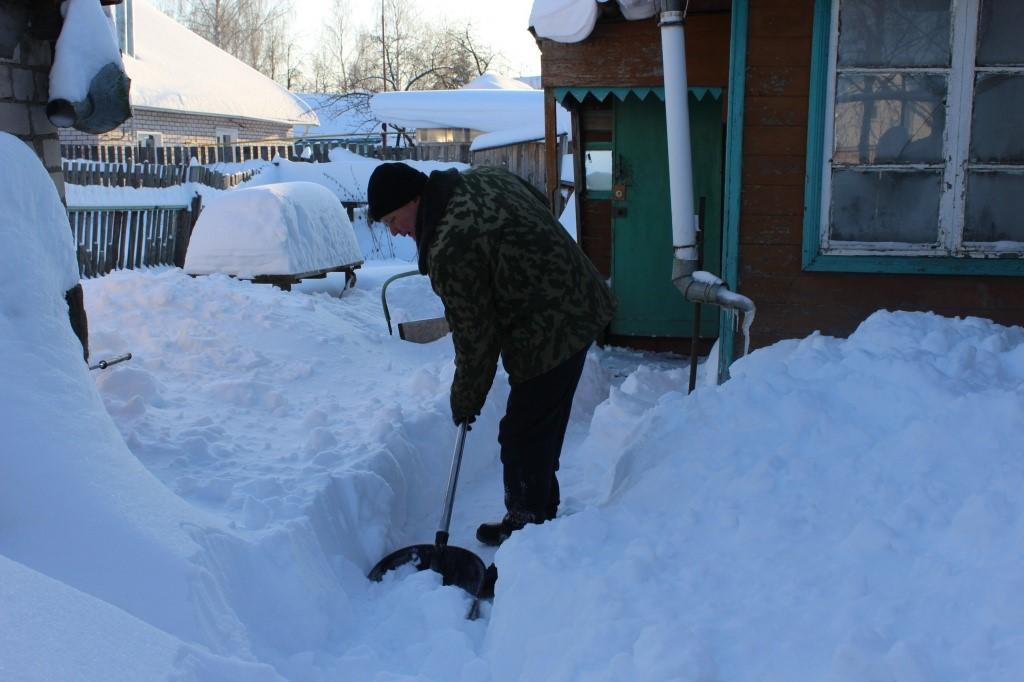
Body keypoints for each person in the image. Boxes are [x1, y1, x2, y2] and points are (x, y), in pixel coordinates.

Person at [367, 162, 616, 546]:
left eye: (392, 219)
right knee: (539, 427)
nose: (394, 231)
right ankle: (539, 516)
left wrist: (465, 399)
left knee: (522, 437)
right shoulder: (483, 179)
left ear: (414, 199)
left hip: (550, 329)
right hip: (580, 298)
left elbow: (475, 337)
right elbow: (537, 203)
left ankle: (528, 533)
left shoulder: (450, 246)